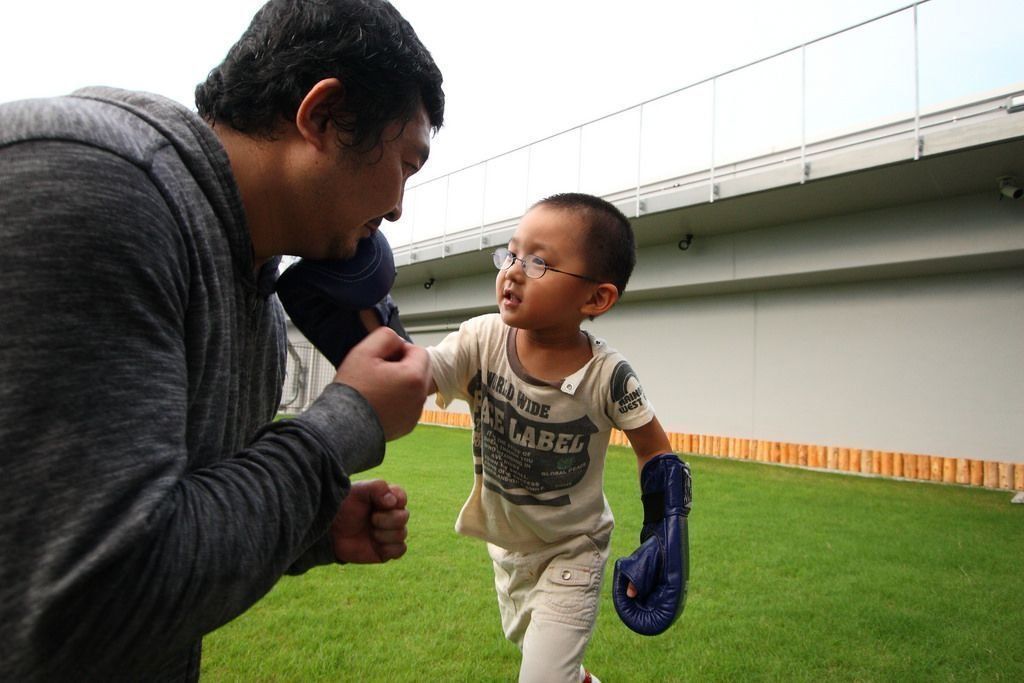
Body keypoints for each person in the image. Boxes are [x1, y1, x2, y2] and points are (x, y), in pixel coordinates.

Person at [0, 0, 443, 679]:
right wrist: (346, 422)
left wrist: (310, 526)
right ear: (324, 116)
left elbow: (168, 523)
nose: (398, 208)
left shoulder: (255, 297)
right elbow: (84, 611)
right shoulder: (96, 186)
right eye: (408, 164)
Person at [427, 193, 691, 683]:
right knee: (541, 659)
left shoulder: (609, 376)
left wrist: (662, 531)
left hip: (575, 548)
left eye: (538, 262)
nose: (513, 271)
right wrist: (381, 346)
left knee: (543, 676)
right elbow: (428, 368)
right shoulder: (481, 340)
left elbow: (655, 451)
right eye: (511, 254)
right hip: (508, 547)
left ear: (595, 299)